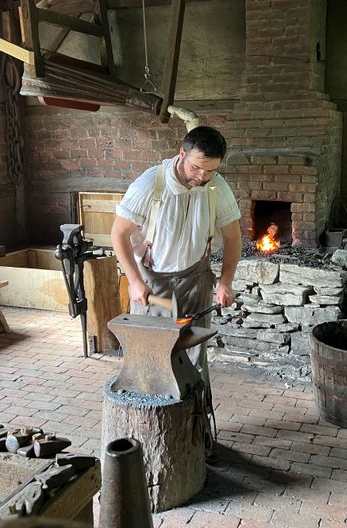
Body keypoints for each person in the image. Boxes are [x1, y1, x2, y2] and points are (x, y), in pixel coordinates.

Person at [110, 125, 242, 453]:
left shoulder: (217, 188)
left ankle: (199, 433)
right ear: (181, 154)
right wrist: (135, 281)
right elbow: (118, 234)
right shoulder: (150, 184)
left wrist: (225, 282)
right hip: (152, 280)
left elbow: (233, 238)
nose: (202, 176)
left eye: (210, 170)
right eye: (196, 167)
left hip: (196, 276)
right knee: (150, 356)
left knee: (195, 358)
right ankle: (149, 438)